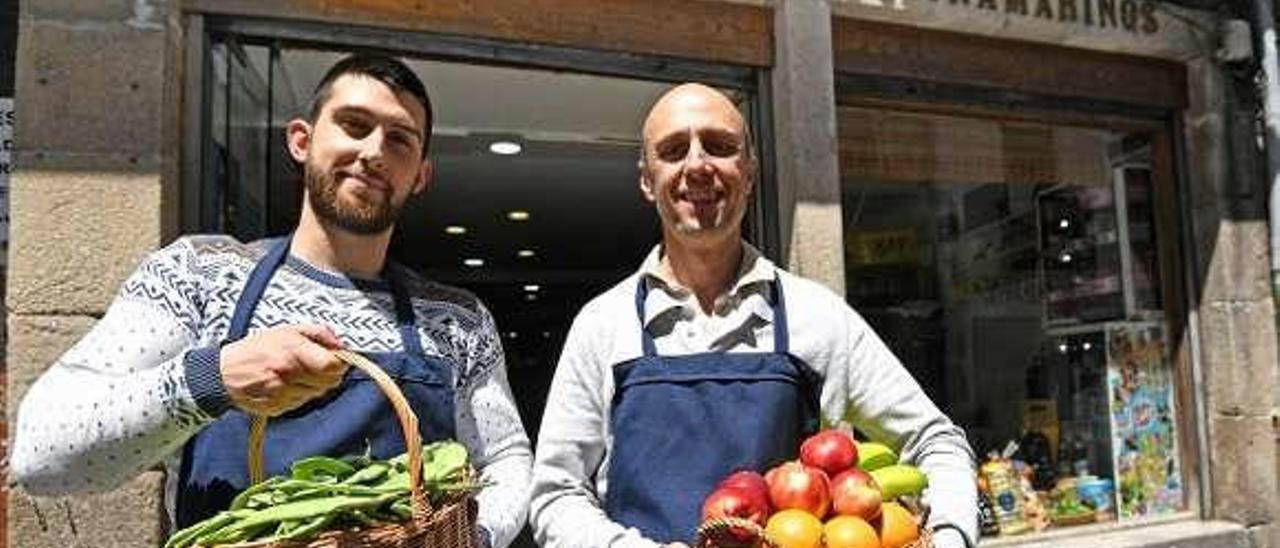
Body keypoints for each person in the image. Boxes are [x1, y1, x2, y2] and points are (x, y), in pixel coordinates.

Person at [10, 53, 531, 548]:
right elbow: (41, 455)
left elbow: (506, 461)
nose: (374, 152)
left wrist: (471, 537)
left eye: (399, 140)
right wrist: (211, 380)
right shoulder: (199, 275)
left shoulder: (457, 322)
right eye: (353, 124)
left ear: (420, 175)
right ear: (301, 141)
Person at [528, 83, 978, 548]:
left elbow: (936, 439)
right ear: (647, 179)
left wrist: (950, 535)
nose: (698, 165)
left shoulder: (816, 316)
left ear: (750, 171)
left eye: (720, 147)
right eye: (674, 150)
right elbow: (555, 495)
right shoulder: (603, 326)